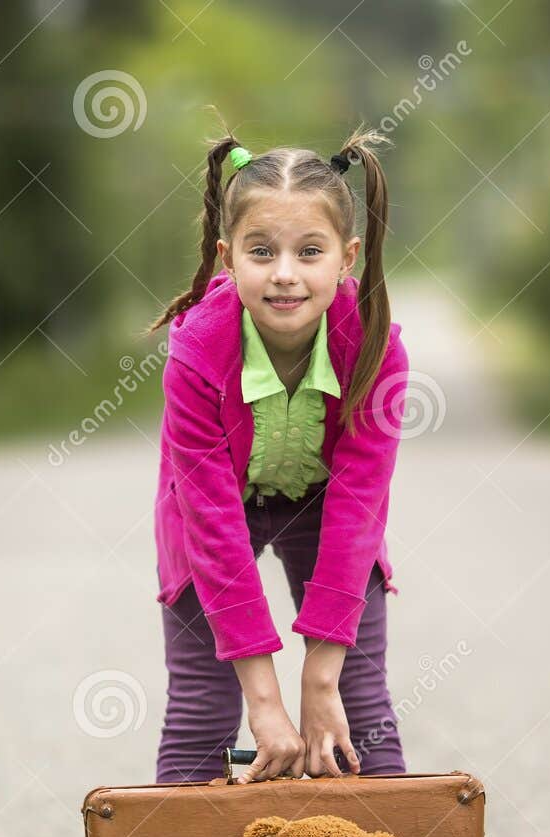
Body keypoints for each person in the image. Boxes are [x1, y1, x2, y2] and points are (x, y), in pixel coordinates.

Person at [147, 125, 409, 785]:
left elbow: (358, 505)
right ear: (227, 257)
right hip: (216, 513)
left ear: (346, 258)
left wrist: (320, 681)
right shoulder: (196, 352)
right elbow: (211, 525)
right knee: (203, 709)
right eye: (261, 251)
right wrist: (265, 702)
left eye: (309, 251)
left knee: (358, 705)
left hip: (325, 506)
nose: (285, 274)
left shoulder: (375, 350)